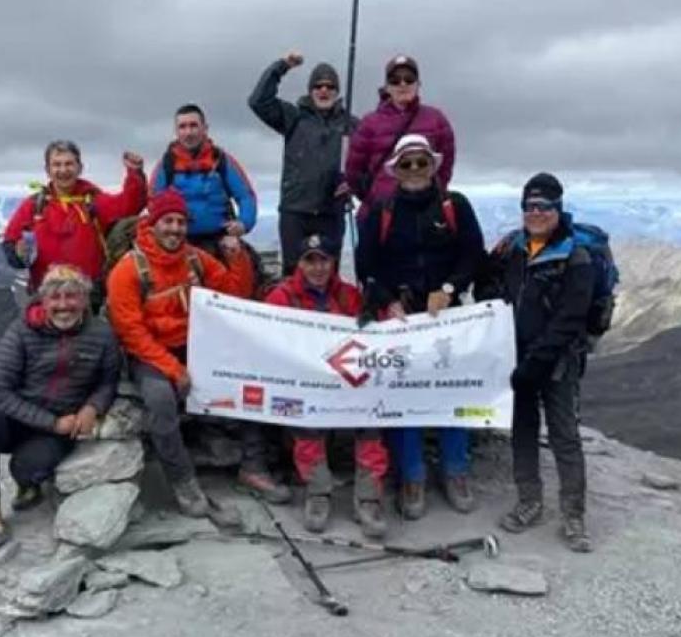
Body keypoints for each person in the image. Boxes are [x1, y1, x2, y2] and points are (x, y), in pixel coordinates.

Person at [106, 189, 290, 516]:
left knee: (248, 378)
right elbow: (131, 332)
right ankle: (183, 482)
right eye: (168, 221)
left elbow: (236, 292)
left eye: (180, 222)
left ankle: (253, 465)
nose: (175, 228)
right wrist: (173, 369)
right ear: (153, 223)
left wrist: (235, 258)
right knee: (161, 400)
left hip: (195, 347)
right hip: (149, 355)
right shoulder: (128, 270)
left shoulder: (194, 258)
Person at [354, 135, 484, 521]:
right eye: (407, 164)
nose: (414, 170)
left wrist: (449, 289)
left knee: (452, 392)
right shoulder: (381, 210)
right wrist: (387, 301)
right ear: (396, 169)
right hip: (401, 319)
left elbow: (472, 255)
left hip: (445, 315)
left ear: (434, 166)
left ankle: (456, 470)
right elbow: (367, 266)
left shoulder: (454, 206)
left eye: (421, 163)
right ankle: (412, 475)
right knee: (404, 397)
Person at [479, 173, 594, 553]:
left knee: (564, 435)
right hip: (516, 358)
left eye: (544, 206)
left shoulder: (576, 256)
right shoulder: (512, 248)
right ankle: (529, 501)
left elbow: (571, 318)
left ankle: (574, 515)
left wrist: (536, 363)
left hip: (556, 362)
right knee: (523, 432)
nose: (536, 213)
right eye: (529, 206)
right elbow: (486, 282)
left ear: (558, 208)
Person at [0, 265, 121, 548]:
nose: (63, 305)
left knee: (30, 466)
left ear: (85, 299)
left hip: (60, 424)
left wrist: (92, 407)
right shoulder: (22, 330)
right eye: (55, 298)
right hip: (20, 418)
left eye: (71, 296)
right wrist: (52, 422)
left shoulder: (102, 335)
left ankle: (27, 482)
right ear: (44, 301)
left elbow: (108, 381)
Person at [265, 234, 387, 537]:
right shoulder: (282, 296)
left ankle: (368, 497)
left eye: (324, 260)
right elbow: (262, 336)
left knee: (372, 419)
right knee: (305, 422)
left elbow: (374, 333)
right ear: (299, 263)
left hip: (347, 380)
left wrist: (381, 309)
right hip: (306, 382)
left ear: (334, 262)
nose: (318, 268)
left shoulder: (349, 295)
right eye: (310, 260)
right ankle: (318, 491)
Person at [2, 139, 147, 310]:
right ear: (48, 170)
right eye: (57, 165)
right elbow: (11, 242)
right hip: (46, 298)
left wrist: (135, 174)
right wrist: (18, 255)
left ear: (80, 168)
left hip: (88, 297)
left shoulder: (93, 201)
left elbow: (130, 205)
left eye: (69, 164)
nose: (63, 170)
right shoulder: (34, 206)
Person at [248, 51, 356, 274]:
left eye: (329, 86)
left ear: (337, 91)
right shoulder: (293, 117)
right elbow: (258, 101)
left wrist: (356, 182)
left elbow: (373, 161)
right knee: (293, 276)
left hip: (332, 215)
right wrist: (282, 66)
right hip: (294, 213)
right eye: (318, 86)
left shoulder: (352, 125)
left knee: (328, 277)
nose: (323, 90)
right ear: (310, 91)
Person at [344, 55, 456, 212]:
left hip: (426, 210)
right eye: (395, 80)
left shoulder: (437, 119)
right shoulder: (369, 124)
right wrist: (373, 200)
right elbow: (353, 172)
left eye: (409, 79)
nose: (402, 84)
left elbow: (445, 164)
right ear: (387, 87)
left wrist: (433, 193)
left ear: (418, 84)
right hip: (381, 212)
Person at [150, 104, 258, 261]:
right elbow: (153, 201)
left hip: (220, 240)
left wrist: (243, 223)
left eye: (193, 126)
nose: (188, 132)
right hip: (180, 241)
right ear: (176, 131)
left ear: (205, 128)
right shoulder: (166, 165)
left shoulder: (222, 160)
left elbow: (245, 196)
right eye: (182, 127)